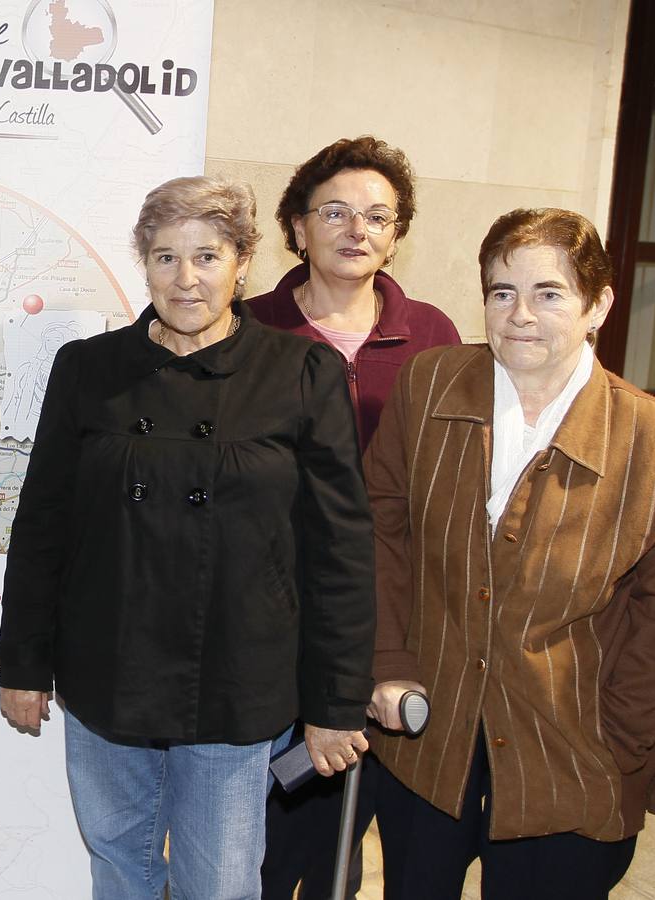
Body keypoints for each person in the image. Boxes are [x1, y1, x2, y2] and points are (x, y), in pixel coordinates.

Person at [0, 175, 376, 900]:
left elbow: (339, 552)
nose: (185, 278)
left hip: (235, 678)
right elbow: (43, 526)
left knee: (222, 882)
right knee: (120, 866)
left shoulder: (301, 371)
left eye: (206, 256)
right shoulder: (88, 368)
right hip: (106, 667)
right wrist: (22, 663)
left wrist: (335, 702)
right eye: (165, 257)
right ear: (143, 262)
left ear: (241, 261)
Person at [363, 208, 655, 898]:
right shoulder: (428, 384)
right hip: (429, 735)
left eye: (547, 293)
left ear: (597, 305)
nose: (519, 314)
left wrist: (620, 729)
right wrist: (388, 664)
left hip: (569, 747)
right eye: (500, 292)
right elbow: (379, 531)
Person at [247, 135, 460, 899]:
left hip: (392, 610)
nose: (356, 229)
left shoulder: (431, 335)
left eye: (377, 215)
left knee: (359, 827)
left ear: (396, 232)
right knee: (271, 833)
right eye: (333, 211)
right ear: (296, 227)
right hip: (275, 618)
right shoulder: (248, 329)